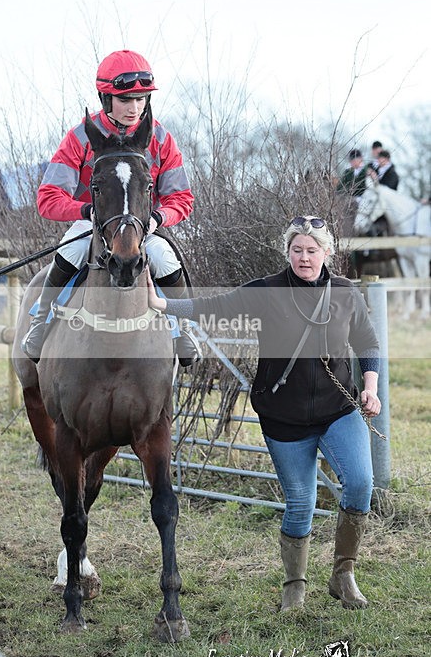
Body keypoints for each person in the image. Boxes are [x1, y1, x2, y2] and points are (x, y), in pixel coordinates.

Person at [147, 215, 381, 612]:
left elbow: (367, 342)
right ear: (287, 252)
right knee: (301, 502)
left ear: (327, 252)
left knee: (360, 483)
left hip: (339, 409)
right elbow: (213, 306)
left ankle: (344, 575)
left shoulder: (344, 292)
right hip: (284, 418)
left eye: (311, 250)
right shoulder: (267, 291)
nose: (304, 257)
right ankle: (295, 586)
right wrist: (161, 303)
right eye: (296, 250)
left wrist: (371, 389)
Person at [21, 49, 201, 366]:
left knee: (163, 256)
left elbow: (181, 198)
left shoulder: (160, 138)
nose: (135, 108)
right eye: (126, 100)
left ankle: (184, 331)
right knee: (70, 249)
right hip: (95, 223)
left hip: (143, 227)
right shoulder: (79, 137)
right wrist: (85, 212)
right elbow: (48, 197)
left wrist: (159, 218)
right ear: (106, 98)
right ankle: (40, 323)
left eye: (141, 99)